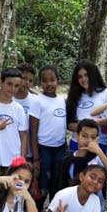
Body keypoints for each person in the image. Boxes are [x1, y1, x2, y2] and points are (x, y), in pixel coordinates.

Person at [30, 65, 68, 202]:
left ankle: (53, 211)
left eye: (52, 80)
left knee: (57, 183)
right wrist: (36, 158)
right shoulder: (37, 101)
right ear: (40, 82)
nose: (49, 84)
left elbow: (63, 126)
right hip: (44, 149)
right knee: (42, 184)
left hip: (60, 148)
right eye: (45, 80)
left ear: (58, 80)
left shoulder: (62, 101)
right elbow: (33, 131)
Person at [66, 60, 107, 153]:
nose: (83, 79)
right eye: (80, 77)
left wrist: (95, 123)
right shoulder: (74, 96)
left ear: (93, 75)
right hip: (77, 144)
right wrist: (84, 129)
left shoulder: (106, 93)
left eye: (86, 75)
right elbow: (69, 124)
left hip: (100, 144)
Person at [58, 119, 107, 190]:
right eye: (84, 136)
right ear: (77, 136)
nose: (88, 140)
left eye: (93, 137)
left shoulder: (98, 158)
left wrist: (99, 151)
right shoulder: (68, 159)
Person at [14, 63, 40, 163]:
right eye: (24, 78)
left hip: (31, 152)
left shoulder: (36, 100)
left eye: (30, 80)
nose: (27, 82)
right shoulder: (8, 100)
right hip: (12, 151)